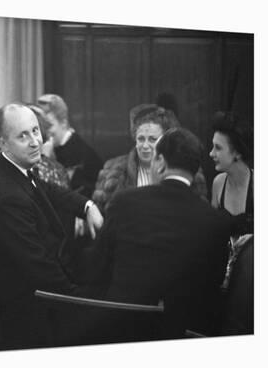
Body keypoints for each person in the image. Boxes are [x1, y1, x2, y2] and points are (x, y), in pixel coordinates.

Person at [0, 103, 104, 349]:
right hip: (30, 308)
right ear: (3, 143)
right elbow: (39, 268)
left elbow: (49, 190)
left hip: (34, 285)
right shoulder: (7, 197)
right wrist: (81, 302)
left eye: (35, 131)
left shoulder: (13, 169)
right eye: (23, 136)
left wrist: (87, 206)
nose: (35, 141)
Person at [91, 128, 234, 341]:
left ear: (160, 162)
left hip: (121, 327)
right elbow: (212, 284)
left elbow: (98, 264)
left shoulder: (124, 202)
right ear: (194, 170)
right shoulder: (215, 221)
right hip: (182, 333)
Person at [93, 104, 208, 213]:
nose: (145, 146)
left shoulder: (185, 170)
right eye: (141, 139)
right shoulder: (112, 170)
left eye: (152, 139)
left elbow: (199, 212)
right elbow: (99, 216)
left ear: (164, 140)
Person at [209, 111, 253, 288]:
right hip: (220, 277)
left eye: (218, 148)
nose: (211, 153)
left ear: (237, 153)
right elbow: (211, 235)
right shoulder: (218, 184)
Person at [37, 94, 103, 196]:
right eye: (41, 126)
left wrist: (46, 161)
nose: (44, 131)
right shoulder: (53, 147)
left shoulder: (81, 154)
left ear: (63, 123)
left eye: (49, 125)